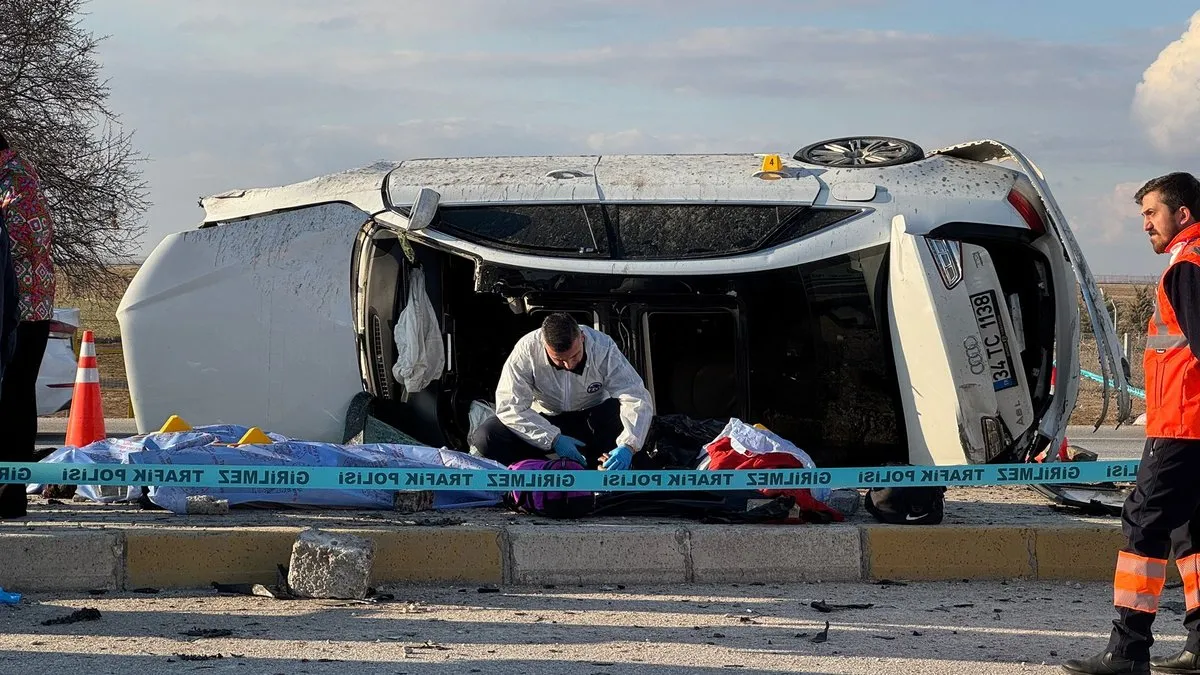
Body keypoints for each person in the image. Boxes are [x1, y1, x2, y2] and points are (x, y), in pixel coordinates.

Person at [1064, 172, 1200, 675]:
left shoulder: (1187, 267)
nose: (1145, 224)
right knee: (1190, 530)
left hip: (1182, 425)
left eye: (1151, 213)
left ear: (1181, 214)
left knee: (1143, 525)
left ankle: (1127, 652)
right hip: (1188, 424)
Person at [469, 312, 653, 470]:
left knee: (627, 418)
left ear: (582, 337)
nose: (568, 364)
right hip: (545, 419)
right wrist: (553, 438)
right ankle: (542, 471)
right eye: (559, 360)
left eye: (574, 356)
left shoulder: (603, 347)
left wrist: (629, 445)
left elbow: (635, 394)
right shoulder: (526, 350)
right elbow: (509, 406)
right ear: (544, 345)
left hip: (592, 420)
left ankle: (606, 468)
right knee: (487, 436)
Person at [0, 134, 56, 520]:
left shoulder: (16, 178)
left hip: (24, 309)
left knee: (15, 400)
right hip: (11, 305)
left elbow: (31, 236)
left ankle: (10, 494)